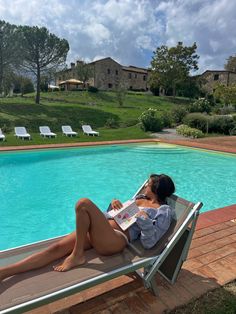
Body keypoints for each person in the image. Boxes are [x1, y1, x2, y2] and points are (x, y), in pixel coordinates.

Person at [0, 174, 175, 281]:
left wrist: (143, 219)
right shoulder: (139, 198)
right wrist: (114, 206)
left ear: (156, 188)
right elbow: (119, 215)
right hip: (100, 229)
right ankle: (4, 272)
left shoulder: (163, 211)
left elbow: (150, 242)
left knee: (83, 203)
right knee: (56, 248)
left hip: (116, 239)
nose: (145, 185)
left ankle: (77, 255)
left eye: (148, 183)